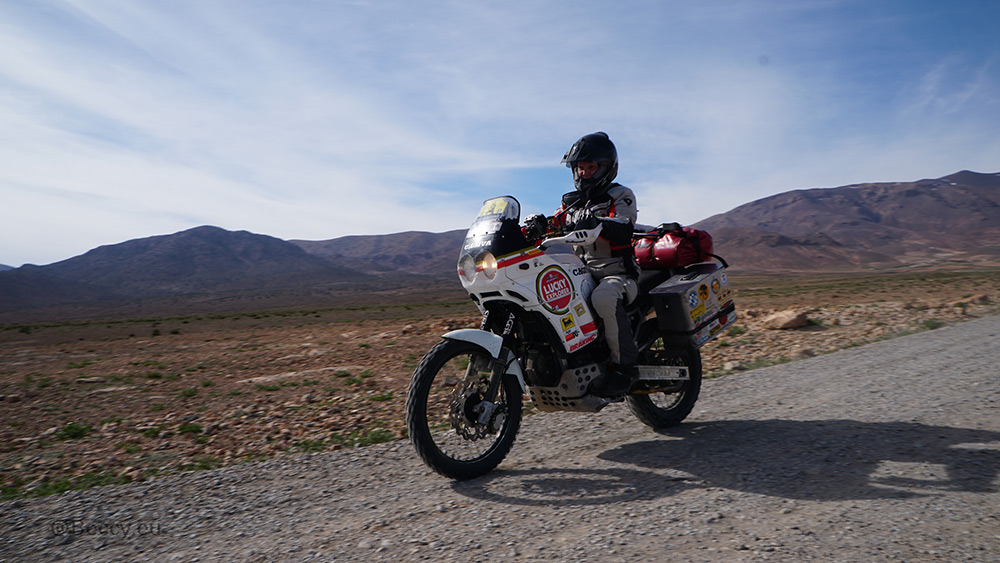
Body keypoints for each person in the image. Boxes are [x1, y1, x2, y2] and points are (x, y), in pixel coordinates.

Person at [552, 132, 640, 398]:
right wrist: (534, 225)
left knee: (603, 297)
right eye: (581, 167)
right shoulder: (571, 202)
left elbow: (624, 227)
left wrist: (598, 222)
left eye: (591, 167)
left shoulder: (620, 195)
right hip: (583, 275)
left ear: (606, 168)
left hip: (618, 275)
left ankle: (624, 368)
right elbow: (555, 223)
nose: (585, 173)